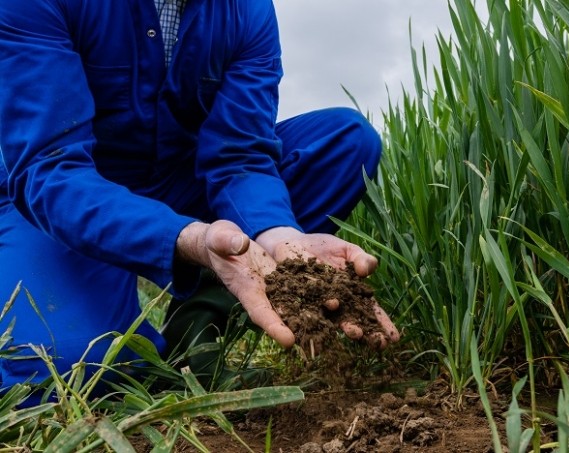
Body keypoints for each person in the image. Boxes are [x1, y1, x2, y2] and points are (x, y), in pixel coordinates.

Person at [0, 0, 400, 403]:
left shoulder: (248, 11)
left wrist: (279, 236)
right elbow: (49, 168)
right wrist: (185, 235)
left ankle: (197, 326)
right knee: (71, 369)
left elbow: (240, 154)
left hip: (176, 180)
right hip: (60, 196)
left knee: (344, 141)